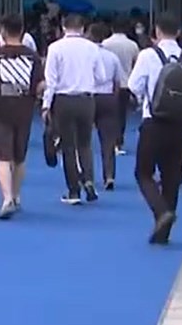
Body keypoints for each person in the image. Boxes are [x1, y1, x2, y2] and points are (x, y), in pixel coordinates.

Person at [127, 13, 182, 245]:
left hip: (153, 122)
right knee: (172, 176)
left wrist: (144, 96)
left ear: (156, 31)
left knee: (144, 173)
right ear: (179, 32)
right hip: (180, 124)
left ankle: (161, 212)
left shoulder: (147, 55)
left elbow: (133, 85)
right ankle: (164, 233)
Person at [0, 13, 41, 218]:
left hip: (0, 110)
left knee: (3, 156)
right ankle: (16, 196)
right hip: (24, 110)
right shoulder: (33, 56)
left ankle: (6, 198)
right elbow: (41, 86)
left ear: (3, 31)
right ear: (22, 31)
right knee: (19, 157)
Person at [43, 12, 102, 204]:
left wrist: (46, 105)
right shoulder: (92, 48)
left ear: (63, 27)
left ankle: (74, 191)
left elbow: (51, 81)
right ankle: (89, 180)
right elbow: (101, 76)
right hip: (86, 100)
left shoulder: (55, 48)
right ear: (83, 29)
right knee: (85, 144)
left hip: (64, 100)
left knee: (68, 146)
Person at [89, 22, 125, 191]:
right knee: (108, 141)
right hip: (108, 97)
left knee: (83, 140)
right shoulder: (112, 57)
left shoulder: (86, 56)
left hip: (89, 97)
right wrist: (113, 98)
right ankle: (109, 175)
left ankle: (86, 175)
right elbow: (118, 81)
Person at [101, 22, 140, 152]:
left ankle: (109, 139)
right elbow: (136, 64)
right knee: (122, 114)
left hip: (108, 84)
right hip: (125, 83)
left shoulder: (105, 44)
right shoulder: (133, 45)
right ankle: (119, 141)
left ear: (112, 28)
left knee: (108, 114)